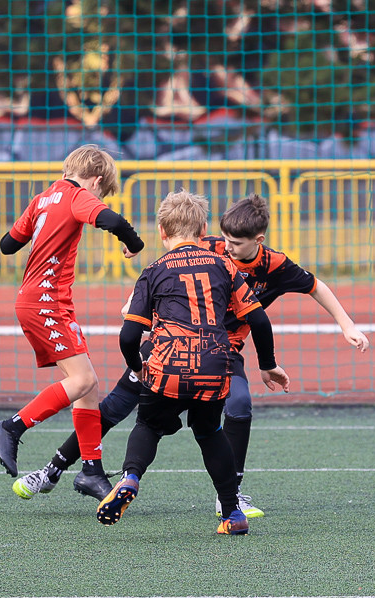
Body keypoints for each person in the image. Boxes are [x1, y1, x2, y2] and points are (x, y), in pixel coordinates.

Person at [14, 193, 370, 518]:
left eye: (236, 244)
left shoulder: (273, 265)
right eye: (224, 240)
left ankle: (230, 495)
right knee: (114, 408)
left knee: (238, 405)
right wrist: (138, 303)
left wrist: (347, 325)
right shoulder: (211, 248)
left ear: (258, 242)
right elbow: (168, 271)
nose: (227, 248)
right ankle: (54, 468)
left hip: (221, 350)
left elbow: (314, 286)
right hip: (179, 348)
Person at [94, 190, 290, 535]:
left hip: (168, 364)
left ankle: (131, 478)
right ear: (203, 230)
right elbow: (259, 321)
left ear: (161, 232)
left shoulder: (154, 270)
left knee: (150, 425)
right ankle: (231, 513)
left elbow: (128, 336)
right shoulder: (223, 265)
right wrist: (268, 364)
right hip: (215, 364)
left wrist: (138, 368)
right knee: (211, 431)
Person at [0, 145, 144, 498]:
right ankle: (11, 427)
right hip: (47, 302)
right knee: (83, 378)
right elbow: (113, 221)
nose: (98, 197)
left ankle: (91, 470)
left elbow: (7, 244)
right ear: (97, 180)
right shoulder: (76, 195)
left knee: (88, 388)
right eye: (101, 192)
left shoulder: (43, 197)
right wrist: (134, 244)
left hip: (37, 300)